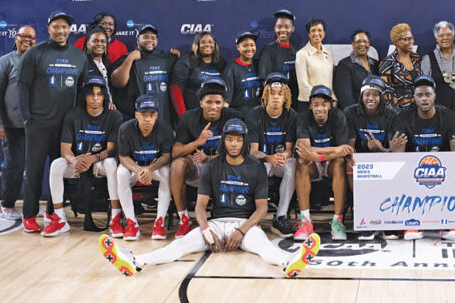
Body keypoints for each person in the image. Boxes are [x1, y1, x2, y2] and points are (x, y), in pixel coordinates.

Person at [99, 118, 320, 278]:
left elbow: (262, 209)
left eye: (238, 140)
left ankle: (291, 262)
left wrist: (241, 231)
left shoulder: (256, 168)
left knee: (265, 249)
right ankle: (135, 261)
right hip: (215, 224)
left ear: (244, 142)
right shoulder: (212, 167)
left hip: (246, 226)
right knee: (179, 247)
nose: (234, 144)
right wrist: (206, 230)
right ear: (224, 141)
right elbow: (201, 207)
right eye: (230, 139)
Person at [18, 11, 90, 232]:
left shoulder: (79, 56)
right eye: (56, 27)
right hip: (38, 123)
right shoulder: (35, 53)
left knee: (58, 171)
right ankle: (29, 215)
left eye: (65, 27)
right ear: (48, 29)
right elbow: (22, 86)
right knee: (34, 171)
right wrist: (26, 117)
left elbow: (83, 90)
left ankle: (53, 212)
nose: (61, 31)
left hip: (65, 126)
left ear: (70, 30)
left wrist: (78, 122)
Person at [389, 75, 455, 241]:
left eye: (428, 94)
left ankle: (453, 223)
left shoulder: (449, 116)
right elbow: (400, 156)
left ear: (435, 95)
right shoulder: (403, 118)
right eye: (419, 95)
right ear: (414, 98)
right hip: (412, 170)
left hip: (444, 168)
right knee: (401, 171)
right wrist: (395, 150)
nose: (424, 99)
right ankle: (412, 223)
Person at [43, 76, 123, 237]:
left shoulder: (114, 116)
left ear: (104, 97)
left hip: (100, 162)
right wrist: (75, 160)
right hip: (79, 161)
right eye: (91, 94)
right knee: (56, 165)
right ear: (84, 96)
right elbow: (64, 149)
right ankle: (59, 219)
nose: (95, 98)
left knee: (111, 164)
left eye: (99, 94)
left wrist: (93, 159)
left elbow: (111, 150)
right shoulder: (73, 115)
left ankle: (116, 218)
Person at [171, 79, 243, 239]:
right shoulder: (188, 118)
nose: (213, 106)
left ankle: (232, 217)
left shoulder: (233, 117)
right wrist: (198, 142)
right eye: (209, 102)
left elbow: (243, 150)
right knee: (177, 165)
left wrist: (209, 157)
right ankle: (184, 219)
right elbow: (175, 152)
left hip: (222, 167)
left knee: (242, 163)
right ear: (201, 103)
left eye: (218, 102)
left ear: (224, 103)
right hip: (197, 167)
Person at [0, 24, 36, 220]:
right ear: (15, 38)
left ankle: (30, 207)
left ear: (36, 40)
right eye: (22, 36)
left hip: (34, 126)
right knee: (14, 166)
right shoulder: (6, 62)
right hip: (11, 126)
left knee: (33, 167)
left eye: (31, 37)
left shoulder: (38, 61)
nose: (26, 40)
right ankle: (7, 206)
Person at [344, 75, 401, 240]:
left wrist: (379, 149)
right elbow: (350, 145)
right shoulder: (350, 112)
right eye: (367, 94)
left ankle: (386, 221)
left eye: (375, 94)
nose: (371, 98)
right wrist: (356, 158)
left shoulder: (391, 115)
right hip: (359, 161)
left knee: (394, 163)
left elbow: (392, 149)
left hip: (382, 159)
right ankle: (364, 215)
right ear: (361, 96)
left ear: (382, 97)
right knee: (349, 164)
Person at [293, 85, 353, 241]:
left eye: (323, 104)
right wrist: (332, 151)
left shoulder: (338, 116)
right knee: (301, 162)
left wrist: (318, 155)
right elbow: (304, 149)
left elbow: (344, 151)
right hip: (314, 163)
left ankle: (337, 221)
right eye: (315, 104)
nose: (320, 108)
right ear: (310, 106)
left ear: (330, 105)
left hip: (331, 163)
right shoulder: (302, 117)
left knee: (340, 162)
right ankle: (305, 221)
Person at [245, 72, 298, 238]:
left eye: (280, 94)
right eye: (272, 93)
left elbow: (290, 148)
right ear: (266, 95)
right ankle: (254, 218)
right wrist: (269, 158)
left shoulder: (291, 115)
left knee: (292, 167)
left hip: (280, 160)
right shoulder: (254, 115)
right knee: (253, 167)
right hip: (262, 161)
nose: (276, 97)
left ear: (286, 96)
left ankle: (280, 217)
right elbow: (252, 151)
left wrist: (283, 156)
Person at [116, 95, 174, 241]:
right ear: (136, 115)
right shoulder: (126, 128)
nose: (147, 119)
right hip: (135, 168)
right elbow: (123, 157)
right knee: (121, 173)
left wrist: (150, 169)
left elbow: (166, 156)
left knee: (167, 172)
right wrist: (139, 171)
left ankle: (159, 222)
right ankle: (131, 223)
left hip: (154, 168)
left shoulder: (165, 129)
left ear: (156, 116)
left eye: (151, 115)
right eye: (143, 115)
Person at [111, 24, 177, 123]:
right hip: (137, 119)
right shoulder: (127, 59)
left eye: (153, 38)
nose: (149, 40)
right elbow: (117, 83)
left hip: (164, 119)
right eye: (145, 37)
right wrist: (130, 59)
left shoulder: (167, 58)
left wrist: (176, 56)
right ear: (138, 39)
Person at [421, 21, 455, 117]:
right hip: (440, 112)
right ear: (436, 38)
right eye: (441, 35)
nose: (445, 38)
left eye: (449, 34)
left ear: (453, 37)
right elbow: (425, 87)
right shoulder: (428, 59)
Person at [171, 31, 227, 116]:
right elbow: (176, 89)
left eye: (210, 42)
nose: (207, 45)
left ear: (215, 45)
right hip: (192, 115)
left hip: (214, 115)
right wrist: (183, 116)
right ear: (197, 45)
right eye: (203, 42)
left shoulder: (221, 63)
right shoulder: (187, 61)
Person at [257, 9, 299, 108]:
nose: (283, 30)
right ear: (274, 28)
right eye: (279, 27)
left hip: (295, 103)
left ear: (293, 28)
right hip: (277, 103)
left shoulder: (297, 52)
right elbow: (265, 83)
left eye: (287, 27)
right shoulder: (268, 50)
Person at [295, 18, 336, 112]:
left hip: (327, 103)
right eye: (313, 31)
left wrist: (333, 99)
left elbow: (330, 80)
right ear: (308, 34)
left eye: (320, 30)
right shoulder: (301, 54)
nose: (317, 33)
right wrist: (318, 101)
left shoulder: (329, 53)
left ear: (324, 33)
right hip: (308, 104)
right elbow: (303, 84)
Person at [379, 23, 421, 112]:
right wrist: (397, 116)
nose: (410, 41)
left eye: (411, 38)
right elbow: (387, 93)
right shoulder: (387, 63)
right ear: (396, 42)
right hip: (399, 113)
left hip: (419, 110)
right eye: (406, 39)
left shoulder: (416, 58)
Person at [334, 29, 379, 109]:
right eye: (358, 41)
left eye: (365, 41)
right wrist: (356, 116)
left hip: (374, 113)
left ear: (369, 44)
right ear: (353, 45)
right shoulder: (344, 65)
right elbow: (345, 97)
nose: (362, 44)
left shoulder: (375, 64)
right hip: (355, 115)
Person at [224, 31, 261, 117]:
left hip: (257, 115)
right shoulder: (231, 68)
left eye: (252, 45)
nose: (249, 48)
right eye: (245, 45)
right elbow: (226, 101)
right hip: (238, 116)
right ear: (238, 47)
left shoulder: (259, 64)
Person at [83, 26, 114, 104]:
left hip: (110, 110)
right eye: (95, 41)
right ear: (87, 44)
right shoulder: (82, 63)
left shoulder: (107, 63)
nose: (99, 44)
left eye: (103, 41)